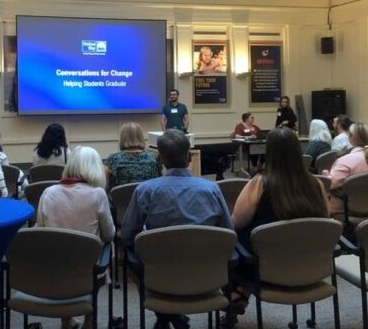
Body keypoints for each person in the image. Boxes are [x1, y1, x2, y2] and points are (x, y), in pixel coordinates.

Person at [122, 129, 233, 329]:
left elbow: (129, 236)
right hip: (205, 275)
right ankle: (170, 317)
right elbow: (228, 232)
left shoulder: (145, 190)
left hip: (160, 275)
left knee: (132, 259)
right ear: (190, 157)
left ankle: (165, 315)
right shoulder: (212, 189)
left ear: (160, 159)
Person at [226, 127, 329, 327]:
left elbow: (236, 222)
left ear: (269, 152)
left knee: (233, 241)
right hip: (311, 265)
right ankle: (239, 294)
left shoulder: (259, 183)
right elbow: (325, 222)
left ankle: (238, 295)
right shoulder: (316, 184)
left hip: (264, 268)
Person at [36, 146, 114, 329]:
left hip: (54, 267)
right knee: (101, 256)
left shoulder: (49, 192)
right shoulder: (98, 194)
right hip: (88, 270)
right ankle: (90, 320)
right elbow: (109, 234)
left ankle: (66, 321)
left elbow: (40, 230)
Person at [322, 122, 368, 215]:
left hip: (345, 209)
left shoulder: (345, 160)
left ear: (351, 138)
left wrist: (325, 175)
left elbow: (330, 185)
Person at [105, 122, 162, 189]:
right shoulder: (154, 158)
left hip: (122, 199)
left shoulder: (113, 159)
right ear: (141, 137)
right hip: (147, 198)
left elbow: (106, 185)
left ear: (122, 138)